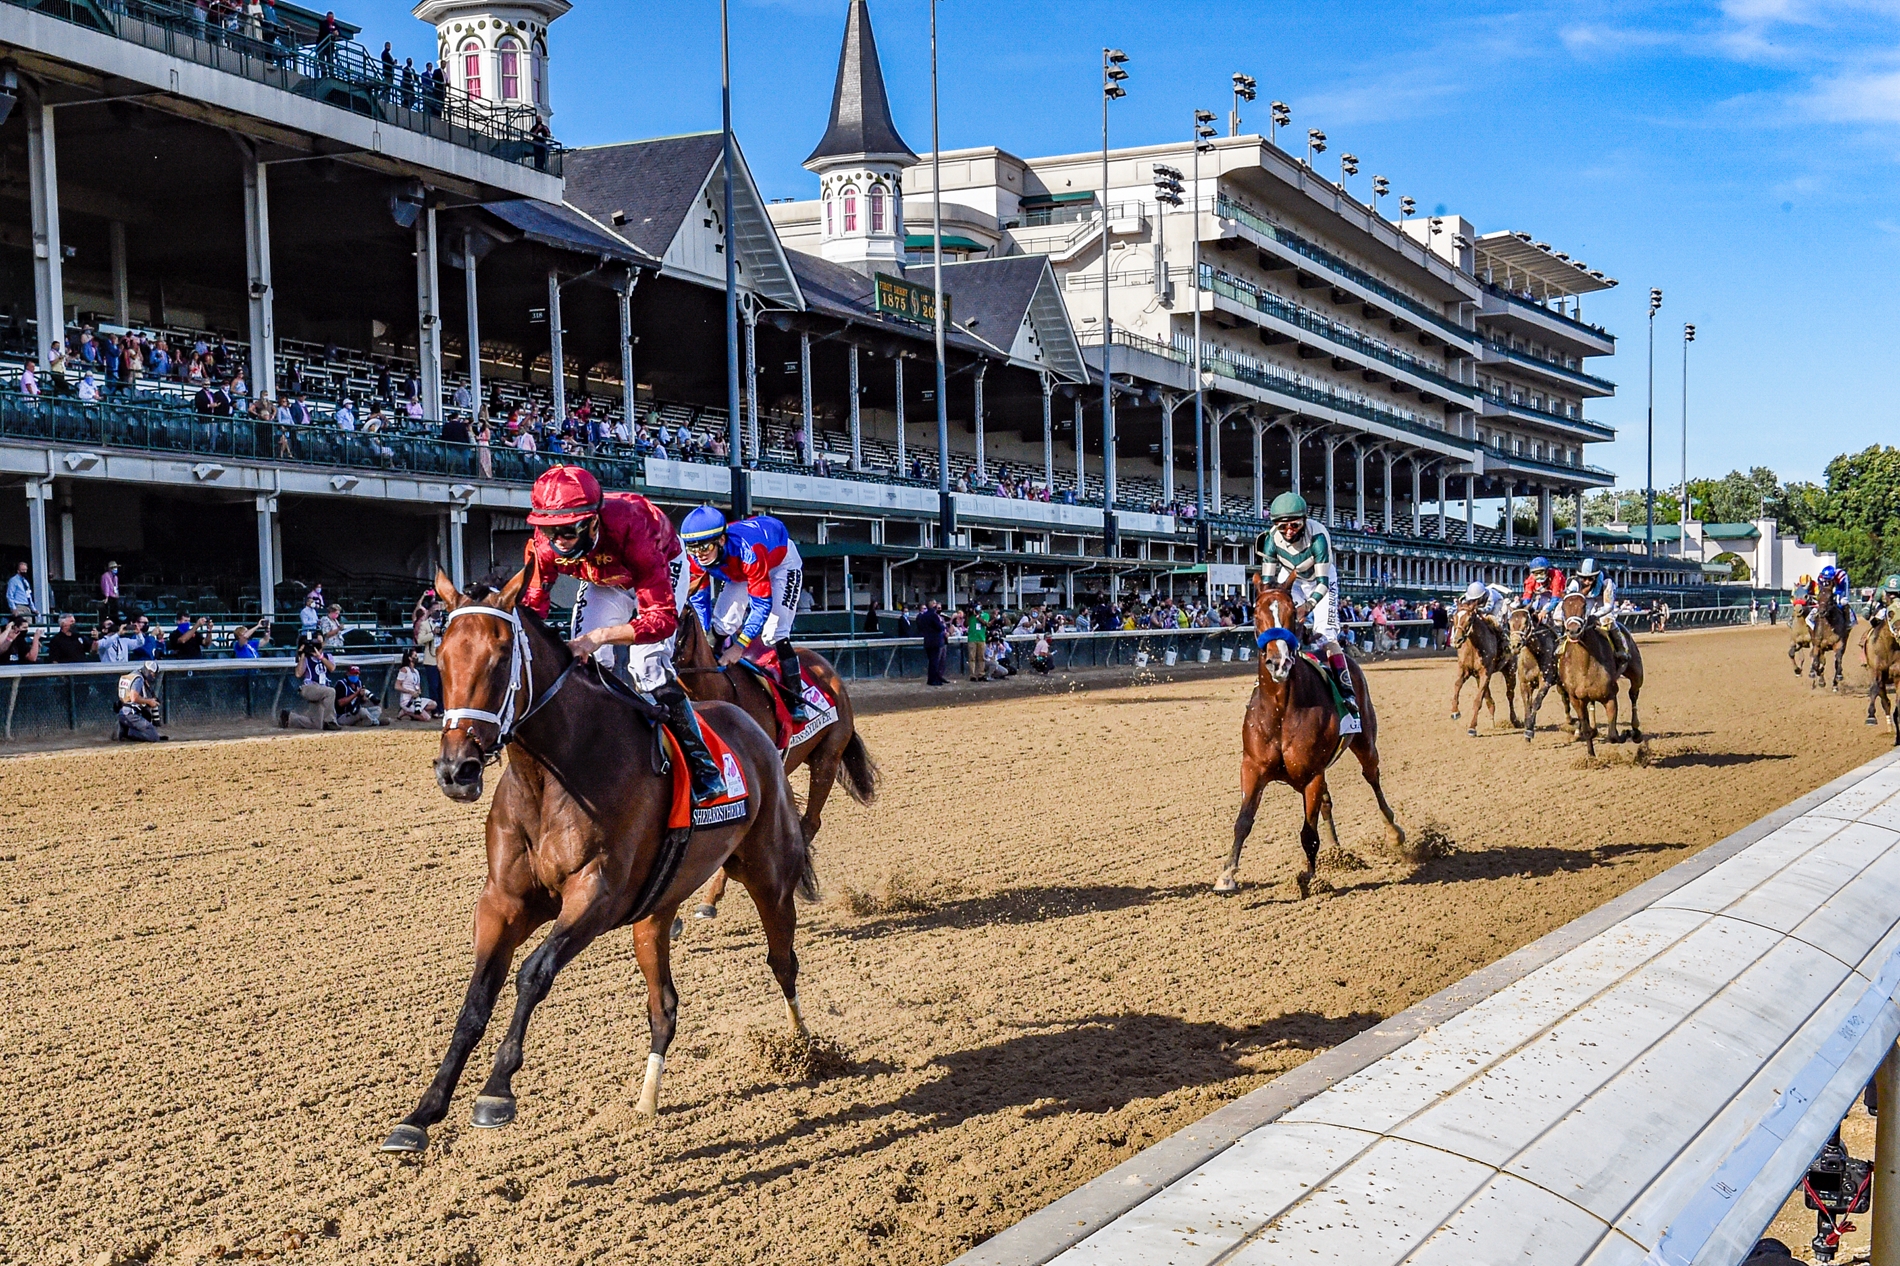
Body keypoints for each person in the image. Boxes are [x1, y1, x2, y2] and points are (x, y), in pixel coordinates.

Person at [520, 466, 722, 806]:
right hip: (602, 579)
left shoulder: (633, 525)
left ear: (593, 521)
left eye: (567, 531)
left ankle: (703, 766)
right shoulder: (545, 545)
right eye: (549, 531)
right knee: (584, 663)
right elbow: (532, 608)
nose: (558, 542)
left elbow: (661, 621)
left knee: (649, 668)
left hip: (660, 566)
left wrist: (601, 635)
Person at [679, 505, 811, 724]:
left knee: (774, 633)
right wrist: (705, 633)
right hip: (736, 568)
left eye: (704, 548)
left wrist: (739, 647)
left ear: (720, 541)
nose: (698, 555)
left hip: (779, 563)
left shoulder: (750, 552)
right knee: (720, 624)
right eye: (692, 549)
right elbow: (699, 600)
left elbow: (761, 606)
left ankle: (796, 698)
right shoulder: (696, 558)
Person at [1260, 491, 1357, 719]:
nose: (1289, 531)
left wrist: (1308, 606)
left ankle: (1347, 691)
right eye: (1283, 527)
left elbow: (1322, 582)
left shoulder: (1318, 538)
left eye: (1294, 525)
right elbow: (1267, 584)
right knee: (1280, 628)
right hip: (1292, 577)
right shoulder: (1271, 540)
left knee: (1326, 636)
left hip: (1320, 580)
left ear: (1304, 520)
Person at [1569, 558, 1633, 667]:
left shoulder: (1607, 582)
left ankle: (1620, 649)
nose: (1587, 582)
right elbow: (1568, 597)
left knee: (1608, 621)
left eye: (1590, 578)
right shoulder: (1574, 582)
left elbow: (1608, 606)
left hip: (1603, 600)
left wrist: (1595, 616)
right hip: (1586, 599)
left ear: (1597, 575)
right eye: (1583, 578)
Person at [282, 636, 338, 730]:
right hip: (309, 687)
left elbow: (332, 668)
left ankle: (289, 718)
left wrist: (320, 657)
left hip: (322, 690)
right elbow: (298, 674)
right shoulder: (307, 658)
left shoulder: (328, 656)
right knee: (331, 692)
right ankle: (330, 721)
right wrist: (302, 655)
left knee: (316, 725)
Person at [116, 660, 167, 742]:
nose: (154, 676)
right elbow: (134, 698)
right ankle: (128, 732)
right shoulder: (138, 679)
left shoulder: (133, 674)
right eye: (153, 674)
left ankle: (125, 730)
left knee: (147, 719)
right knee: (154, 737)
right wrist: (149, 701)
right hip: (131, 714)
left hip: (123, 712)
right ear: (149, 671)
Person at [393, 648, 438, 720]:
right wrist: (410, 692)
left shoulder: (416, 671)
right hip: (407, 700)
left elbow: (418, 685)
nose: (417, 657)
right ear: (410, 658)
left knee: (434, 704)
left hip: (416, 699)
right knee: (427, 718)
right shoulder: (404, 670)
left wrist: (418, 691)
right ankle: (406, 711)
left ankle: (415, 711)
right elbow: (397, 686)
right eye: (415, 655)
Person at [918, 600, 948, 686]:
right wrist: (943, 626)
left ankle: (932, 679)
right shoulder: (933, 615)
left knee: (932, 661)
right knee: (934, 662)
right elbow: (939, 627)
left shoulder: (924, 616)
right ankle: (932, 680)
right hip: (935, 641)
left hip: (927, 641)